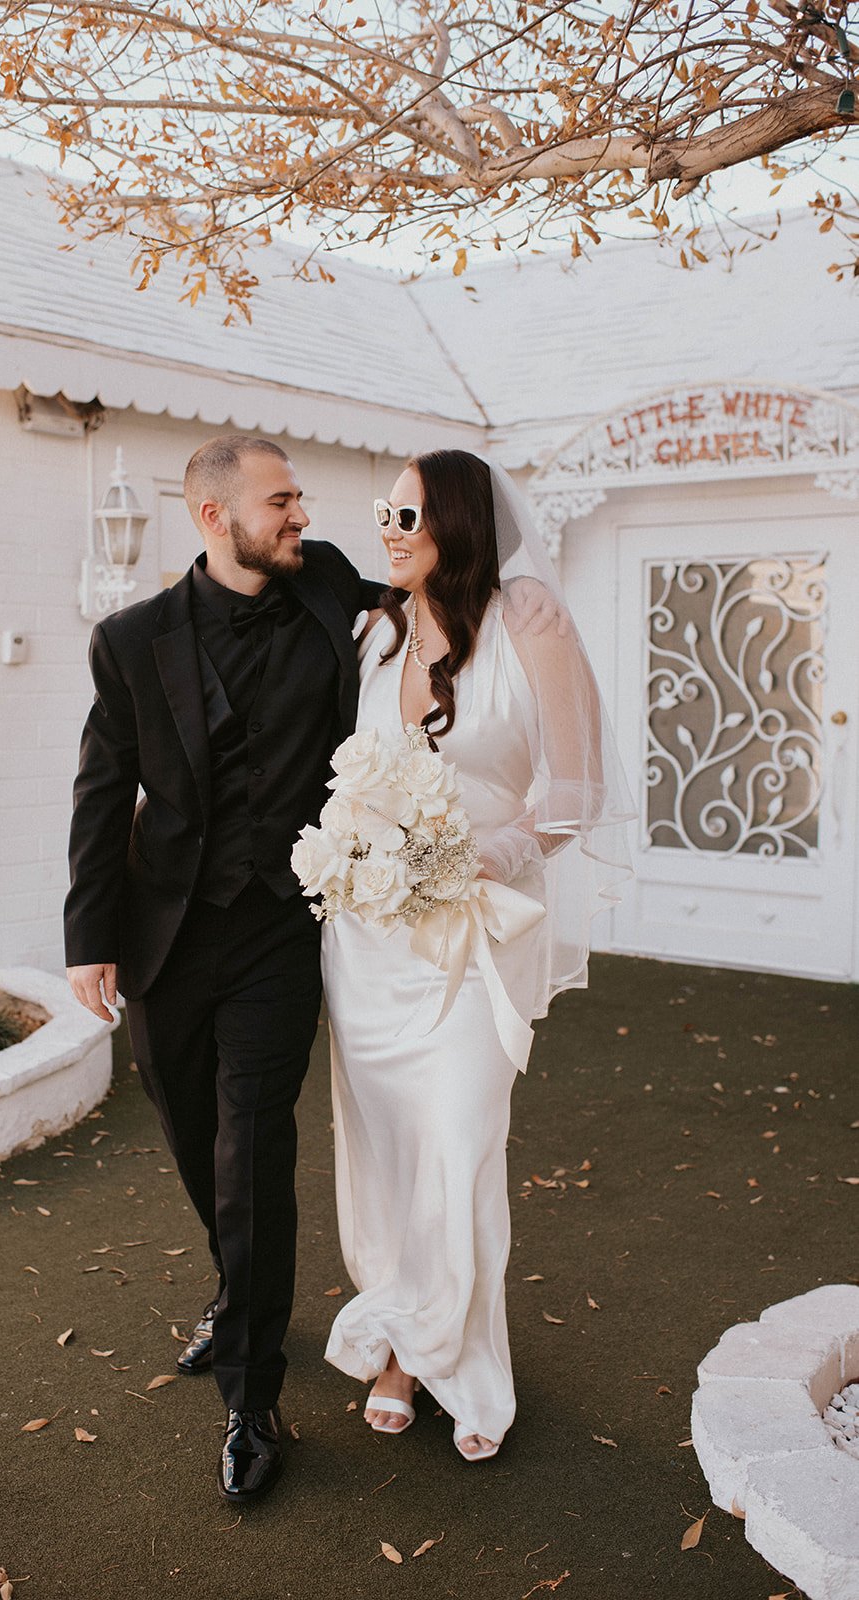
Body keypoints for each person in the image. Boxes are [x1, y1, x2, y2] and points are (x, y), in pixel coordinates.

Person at [64, 434, 564, 1502]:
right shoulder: (130, 641)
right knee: (189, 1126)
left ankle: (252, 1398)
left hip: (287, 934)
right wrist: (88, 935)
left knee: (255, 1144)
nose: (304, 516)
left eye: (300, 499)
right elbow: (102, 789)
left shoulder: (332, 586)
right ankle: (235, 1282)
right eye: (280, 502)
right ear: (215, 519)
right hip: (167, 933)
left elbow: (447, 612)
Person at [321, 449, 632, 1460]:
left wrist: (477, 855)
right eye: (384, 512)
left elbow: (577, 789)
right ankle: (405, 1344)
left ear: (457, 520)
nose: (390, 529)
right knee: (385, 1149)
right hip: (367, 943)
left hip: (473, 933)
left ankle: (459, 1357)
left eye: (408, 514)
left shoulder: (528, 619)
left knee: (458, 1140)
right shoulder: (374, 633)